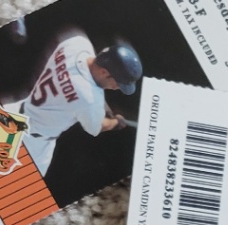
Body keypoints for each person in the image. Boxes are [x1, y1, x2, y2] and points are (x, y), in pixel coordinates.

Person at [10, 27, 143, 172]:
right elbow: (98, 127)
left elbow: (80, 87)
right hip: (30, 145)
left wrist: (100, 107)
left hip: (12, 112)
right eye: (118, 83)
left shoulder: (77, 43)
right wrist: (116, 122)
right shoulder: (90, 100)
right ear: (104, 72)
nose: (116, 88)